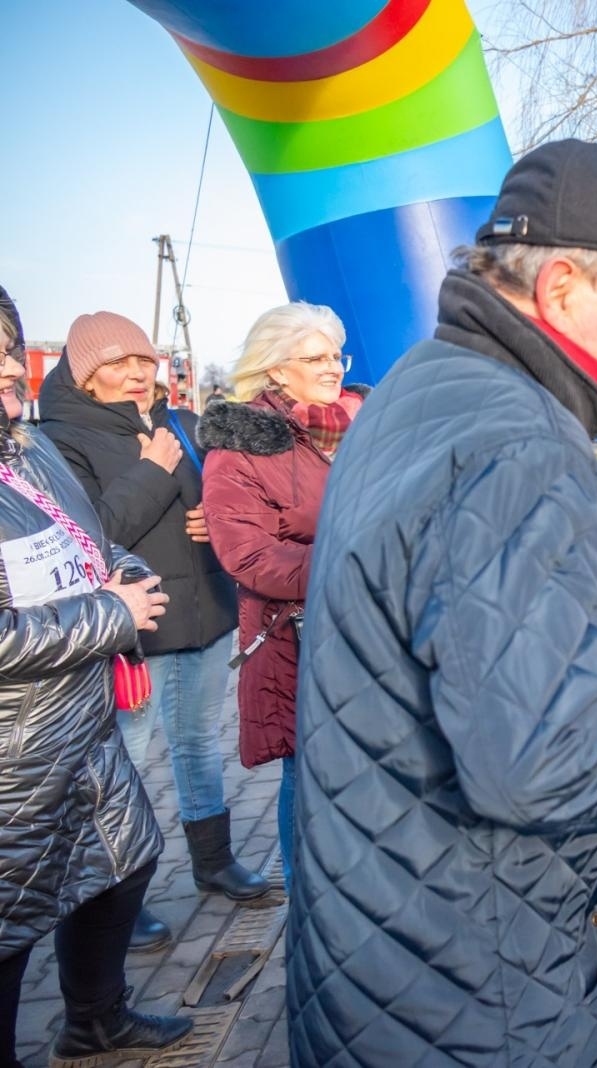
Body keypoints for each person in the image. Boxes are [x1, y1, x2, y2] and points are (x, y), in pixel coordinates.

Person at [284, 140, 597, 1066]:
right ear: (565, 288)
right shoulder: (519, 445)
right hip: (474, 995)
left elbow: (442, 613)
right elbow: (543, 766)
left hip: (386, 949)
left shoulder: (422, 386)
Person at [38, 313, 269, 950]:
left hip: (203, 612)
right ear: (84, 376)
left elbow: (225, 498)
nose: (139, 373)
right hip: (133, 629)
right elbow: (88, 537)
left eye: (145, 361)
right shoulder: (58, 441)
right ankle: (115, 896)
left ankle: (214, 861)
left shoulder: (181, 422)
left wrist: (212, 521)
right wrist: (152, 468)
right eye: (119, 364)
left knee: (198, 744)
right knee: (124, 766)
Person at [0, 310, 193, 1067]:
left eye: (10, 349)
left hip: (80, 722)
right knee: (10, 920)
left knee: (124, 860)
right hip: (15, 748)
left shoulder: (29, 446)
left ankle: (95, 1019)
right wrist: (110, 612)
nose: (12, 368)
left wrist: (127, 572)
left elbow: (89, 538)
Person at [198, 303, 364, 896]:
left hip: (379, 626)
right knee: (313, 772)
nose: (332, 368)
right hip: (303, 634)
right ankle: (308, 915)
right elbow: (247, 554)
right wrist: (357, 566)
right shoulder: (244, 445)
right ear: (276, 369)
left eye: (335, 356)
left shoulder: (363, 426)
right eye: (314, 357)